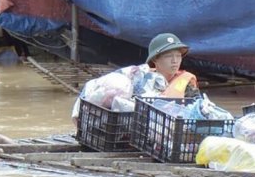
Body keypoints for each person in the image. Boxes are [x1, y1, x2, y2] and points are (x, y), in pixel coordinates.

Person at [71, 32, 201, 125]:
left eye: (178, 56)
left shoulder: (186, 82)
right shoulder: (139, 77)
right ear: (155, 59)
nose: (175, 61)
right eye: (169, 56)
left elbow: (197, 111)